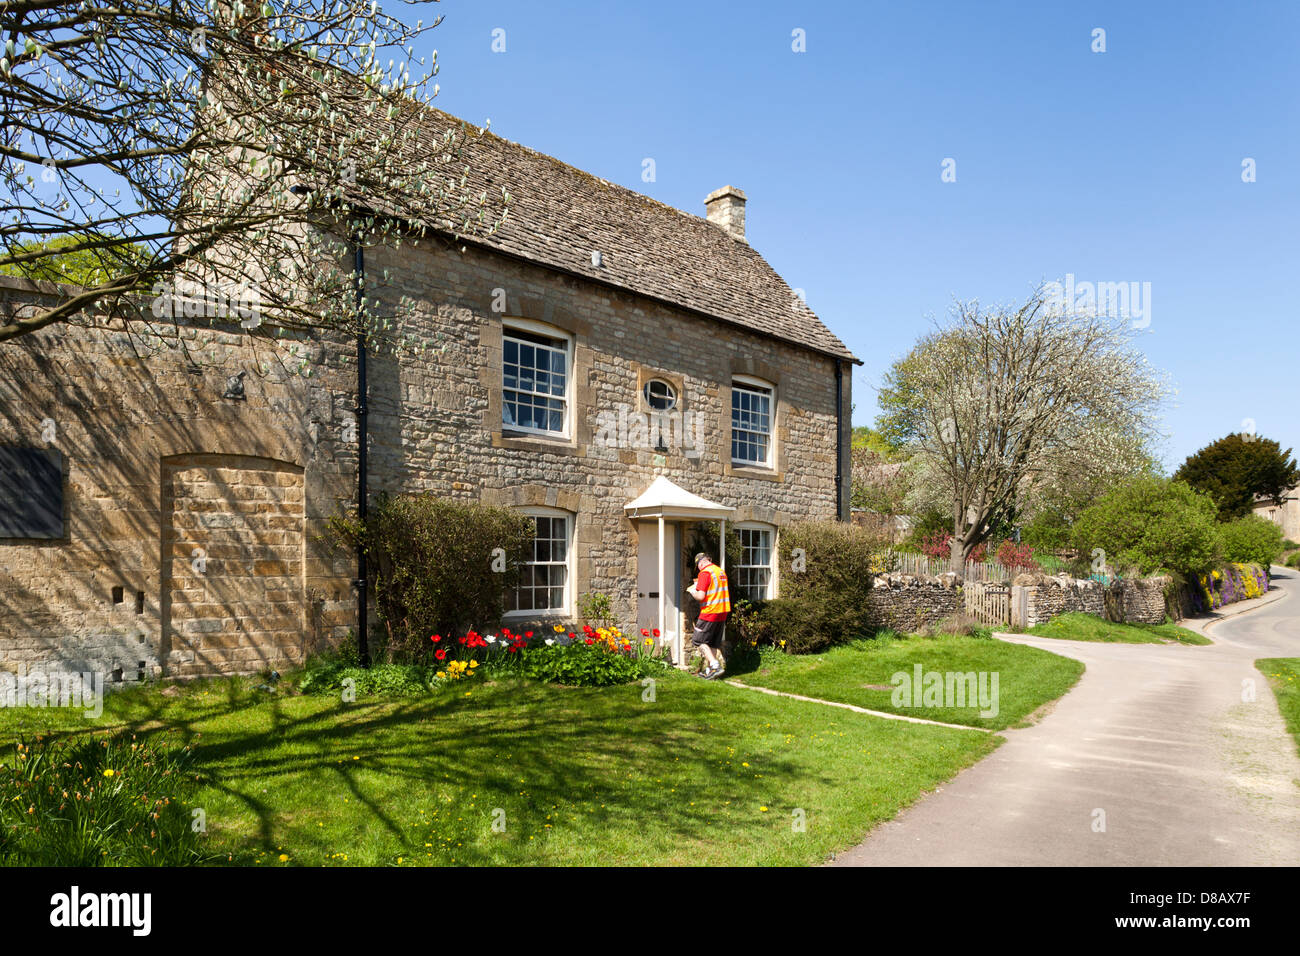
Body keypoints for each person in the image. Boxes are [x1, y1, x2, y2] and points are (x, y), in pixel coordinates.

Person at [687, 551, 730, 679]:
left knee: (699, 640)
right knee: (712, 643)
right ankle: (711, 671)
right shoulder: (720, 571)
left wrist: (692, 591)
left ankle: (715, 665)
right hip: (722, 611)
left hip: (710, 612)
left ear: (700, 563)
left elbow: (700, 596)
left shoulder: (705, 573)